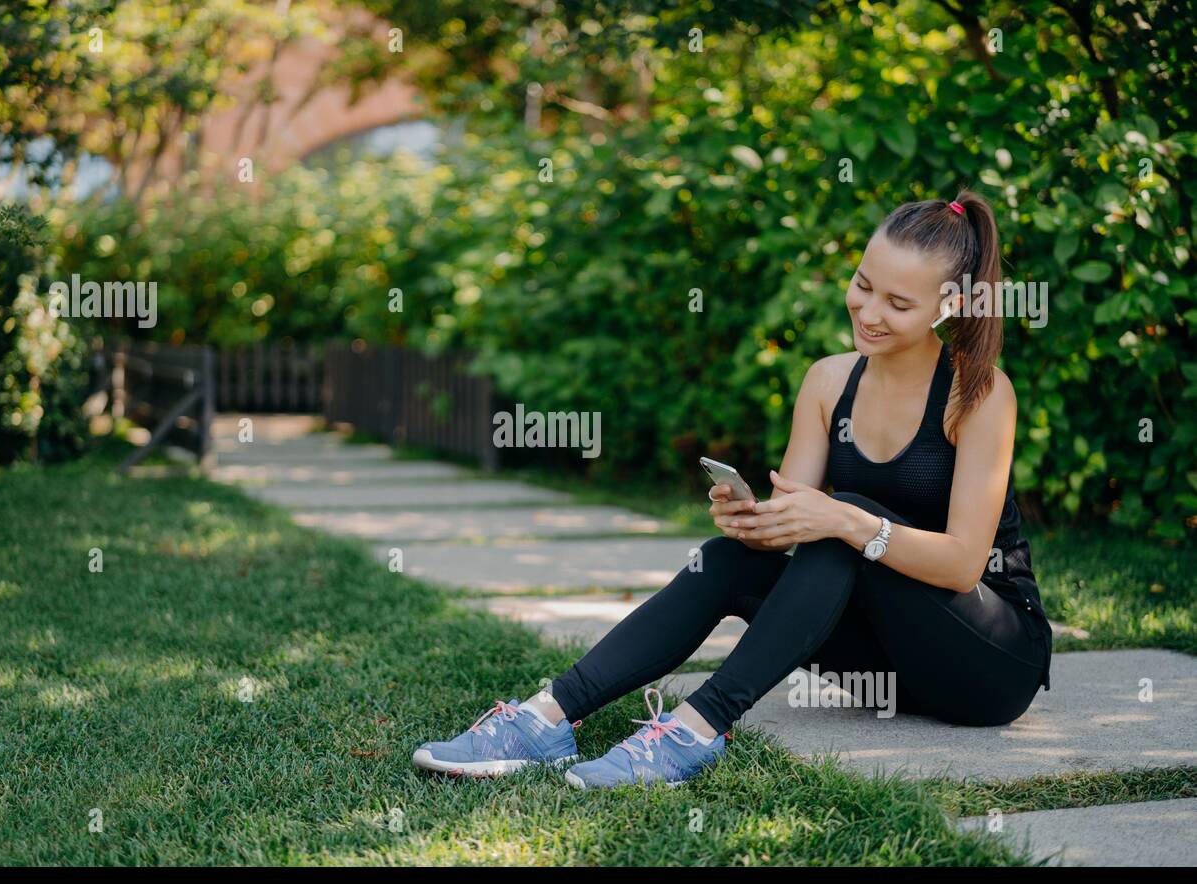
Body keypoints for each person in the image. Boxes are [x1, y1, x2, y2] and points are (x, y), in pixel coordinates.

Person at [412, 190, 1053, 790]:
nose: (868, 311)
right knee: (733, 557)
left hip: (988, 665)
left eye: (899, 303)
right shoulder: (830, 382)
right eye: (862, 285)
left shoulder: (981, 393)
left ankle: (695, 731)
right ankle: (547, 719)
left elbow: (966, 562)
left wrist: (846, 522)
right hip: (887, 669)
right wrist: (752, 519)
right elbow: (793, 524)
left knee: (841, 519)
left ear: (951, 306)